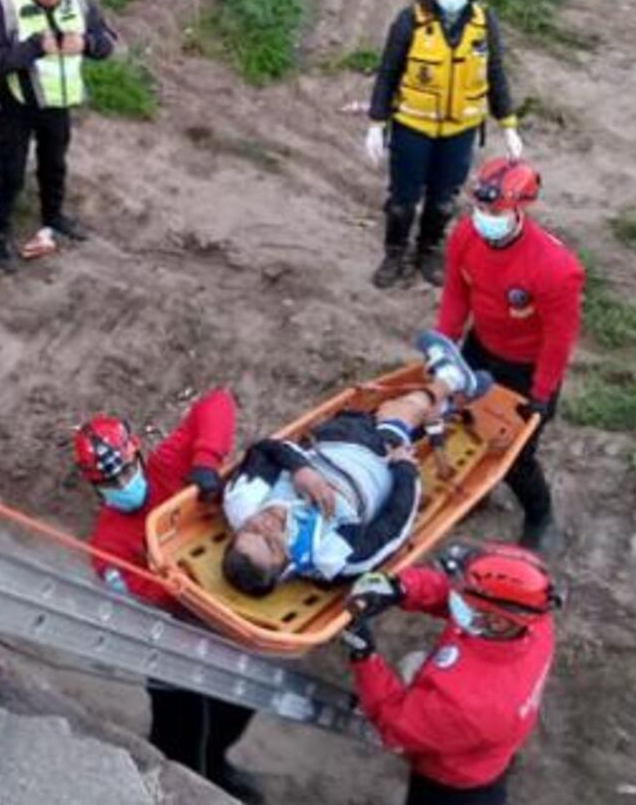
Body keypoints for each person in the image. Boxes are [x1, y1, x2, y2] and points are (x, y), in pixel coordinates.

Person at [72, 394, 265, 805]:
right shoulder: (107, 545)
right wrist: (185, 581)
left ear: (137, 455)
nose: (124, 485)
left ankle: (217, 765)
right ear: (95, 486)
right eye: (111, 482)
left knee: (239, 705)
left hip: (226, 622)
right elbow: (146, 599)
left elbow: (217, 403)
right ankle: (173, 784)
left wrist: (205, 462)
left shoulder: (167, 469)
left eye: (126, 471)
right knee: (179, 733)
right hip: (172, 644)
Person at [221, 332, 491, 596]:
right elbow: (394, 527)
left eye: (252, 528)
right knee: (394, 415)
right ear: (284, 566)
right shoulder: (335, 555)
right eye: (271, 543)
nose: (266, 525)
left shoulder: (243, 499)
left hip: (332, 444)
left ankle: (450, 401)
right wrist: (405, 471)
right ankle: (450, 379)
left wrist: (300, 469)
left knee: (383, 418)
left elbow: (267, 449)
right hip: (376, 465)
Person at [433, 159, 583, 552]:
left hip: (527, 366)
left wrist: (542, 392)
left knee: (516, 453)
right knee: (464, 422)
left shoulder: (554, 268)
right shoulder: (466, 237)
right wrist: (443, 349)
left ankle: (540, 515)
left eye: (494, 211)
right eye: (480, 209)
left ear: (519, 209)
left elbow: (558, 339)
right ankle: (476, 492)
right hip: (480, 349)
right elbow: (455, 294)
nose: (484, 218)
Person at [341, 543, 560, 805]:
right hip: (482, 748)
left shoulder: (470, 704)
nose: (455, 596)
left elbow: (393, 723)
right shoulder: (531, 622)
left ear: (497, 621)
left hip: (450, 784)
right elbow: (452, 595)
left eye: (464, 598)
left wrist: (365, 657)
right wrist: (401, 588)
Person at [364, 0, 524, 289]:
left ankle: (429, 251)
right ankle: (394, 253)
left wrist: (509, 125)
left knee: (443, 199)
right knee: (402, 200)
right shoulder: (410, 21)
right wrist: (377, 124)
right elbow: (388, 74)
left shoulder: (483, 23)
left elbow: (495, 74)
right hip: (413, 127)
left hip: (460, 130)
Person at [0, 0, 118, 273]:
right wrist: (35, 47)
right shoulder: (5, 3)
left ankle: (53, 216)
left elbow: (108, 42)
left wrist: (88, 44)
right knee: (9, 172)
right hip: (16, 104)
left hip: (58, 102)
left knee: (55, 163)